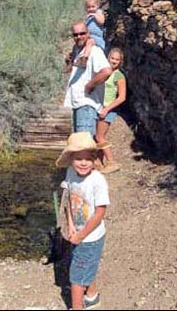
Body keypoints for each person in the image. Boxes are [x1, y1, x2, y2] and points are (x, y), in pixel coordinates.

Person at [56, 132, 110, 310]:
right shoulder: (71, 172)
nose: (83, 163)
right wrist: (71, 225)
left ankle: (77, 307)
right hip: (78, 232)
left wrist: (81, 235)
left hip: (91, 236)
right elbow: (70, 199)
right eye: (78, 158)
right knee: (85, 265)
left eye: (88, 158)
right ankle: (92, 296)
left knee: (76, 277)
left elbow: (100, 213)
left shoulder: (97, 181)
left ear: (94, 159)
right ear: (71, 159)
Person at [63, 21, 112, 138]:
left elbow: (106, 71)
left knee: (83, 148)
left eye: (82, 33)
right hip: (79, 104)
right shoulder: (80, 52)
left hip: (86, 105)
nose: (79, 36)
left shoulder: (95, 51)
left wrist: (90, 85)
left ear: (88, 33)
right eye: (75, 34)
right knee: (81, 147)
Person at [95, 48, 127, 174]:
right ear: (108, 58)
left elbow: (122, 97)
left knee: (100, 136)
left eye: (117, 59)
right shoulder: (104, 71)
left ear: (120, 62)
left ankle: (111, 162)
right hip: (99, 107)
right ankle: (97, 162)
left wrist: (107, 109)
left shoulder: (119, 76)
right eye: (112, 58)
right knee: (95, 136)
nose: (114, 61)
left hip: (108, 109)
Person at [63, 0, 106, 72]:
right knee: (75, 46)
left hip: (96, 38)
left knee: (89, 43)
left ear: (97, 6)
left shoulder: (98, 13)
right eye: (89, 7)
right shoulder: (88, 17)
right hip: (88, 36)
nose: (91, 9)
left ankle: (84, 59)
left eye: (93, 7)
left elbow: (102, 21)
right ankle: (71, 62)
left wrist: (94, 15)